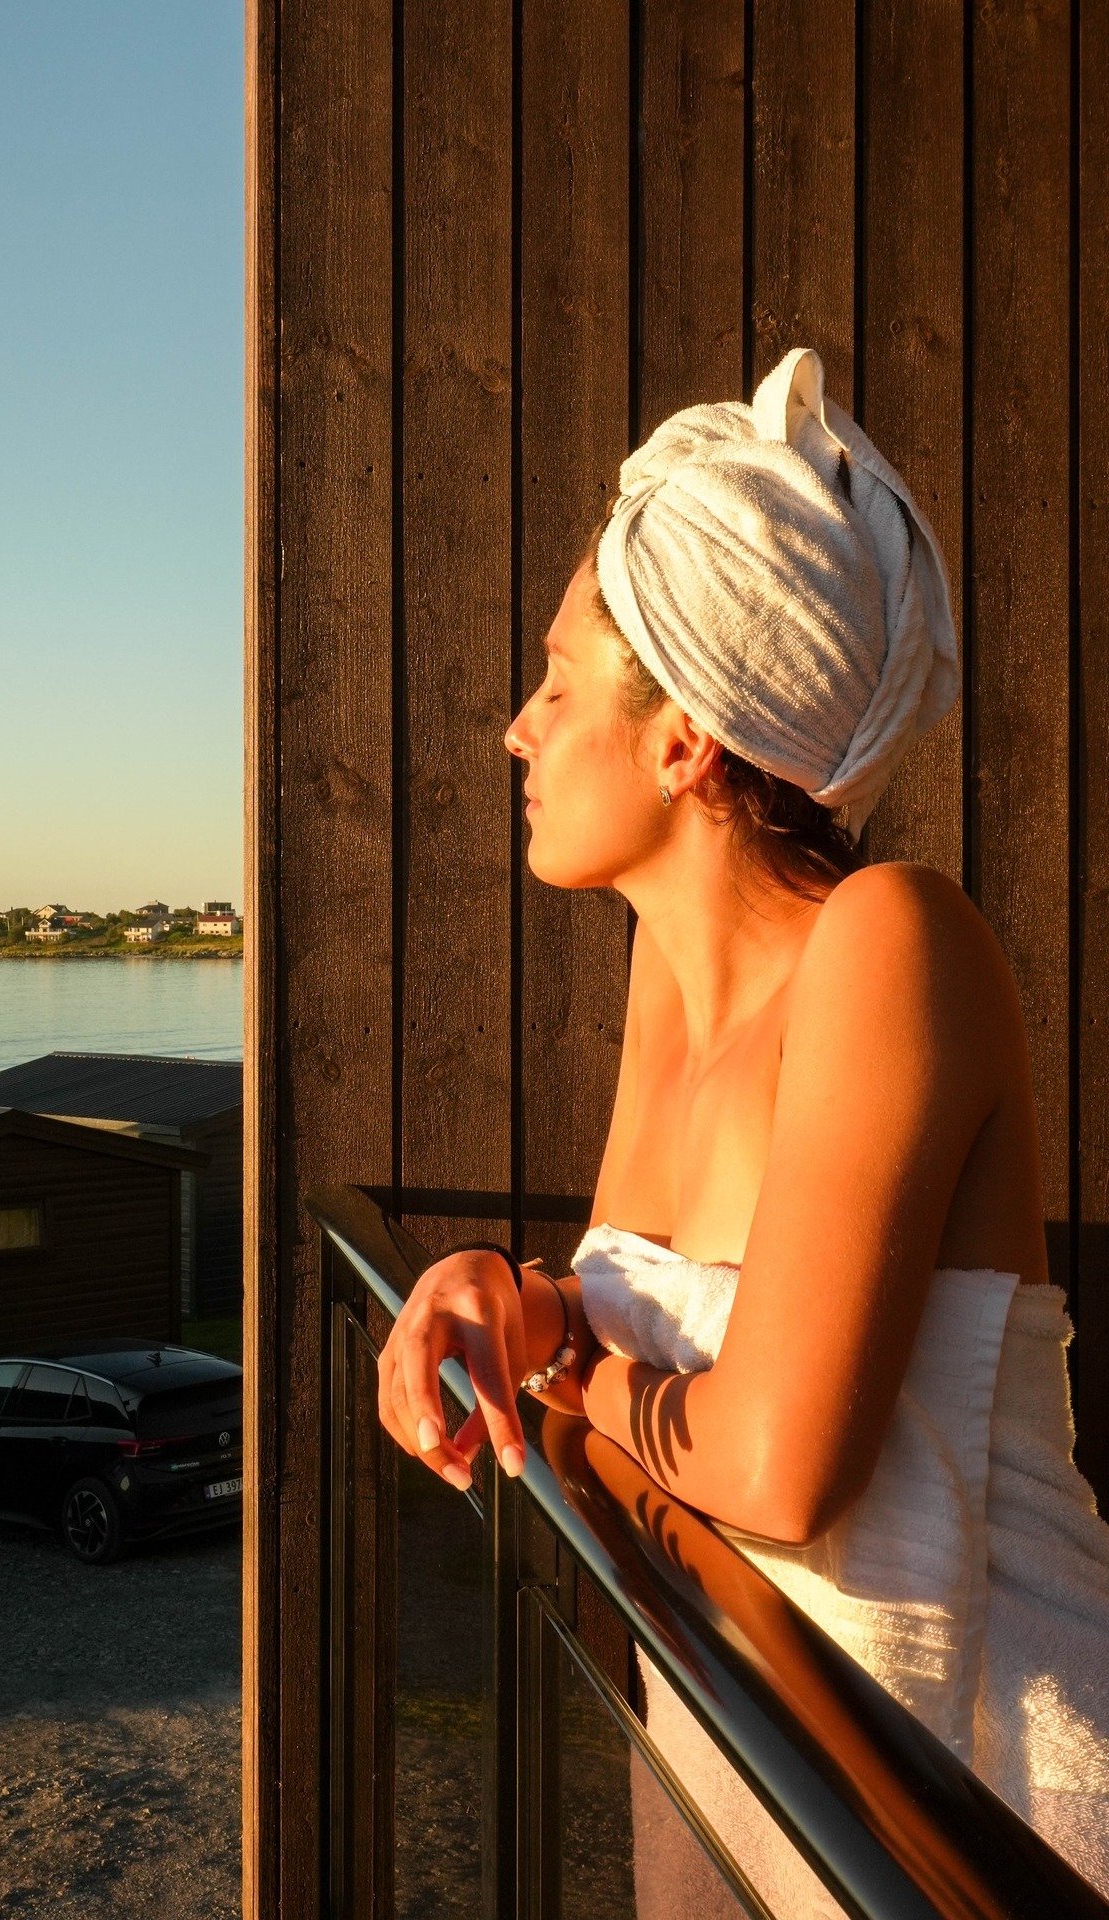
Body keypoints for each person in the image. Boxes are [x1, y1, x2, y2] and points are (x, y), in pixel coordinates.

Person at [375, 347, 1109, 1908]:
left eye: (559, 681)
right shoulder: (670, 977)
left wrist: (563, 1360)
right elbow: (656, 1335)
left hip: (976, 1809)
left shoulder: (896, 939)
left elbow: (776, 1469)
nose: (517, 726)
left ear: (683, 739)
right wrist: (507, 1292)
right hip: (749, 1759)